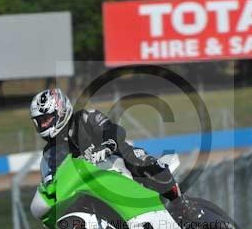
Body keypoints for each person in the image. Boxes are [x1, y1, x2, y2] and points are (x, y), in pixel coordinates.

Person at [29, 88, 183, 220]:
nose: (43, 125)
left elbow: (113, 130)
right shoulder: (50, 153)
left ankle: (181, 205)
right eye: (40, 121)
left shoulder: (85, 117)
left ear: (60, 111)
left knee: (137, 159)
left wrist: (107, 145)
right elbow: (51, 177)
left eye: (46, 119)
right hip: (88, 185)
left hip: (114, 162)